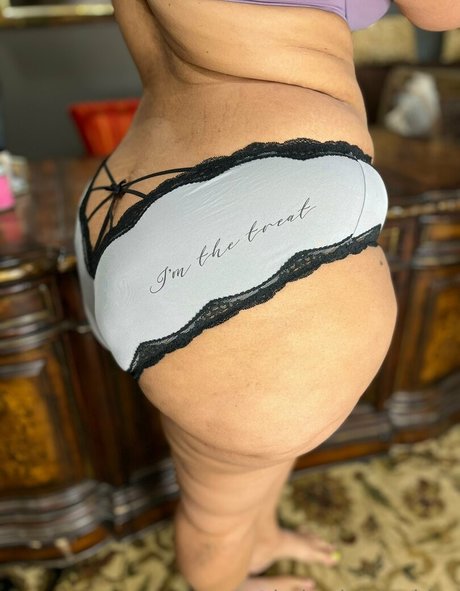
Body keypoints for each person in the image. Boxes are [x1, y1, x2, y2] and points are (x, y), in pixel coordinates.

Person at [73, 1, 460, 589]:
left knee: (228, 471)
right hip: (266, 196)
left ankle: (260, 537)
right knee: (216, 518)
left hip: (126, 195)